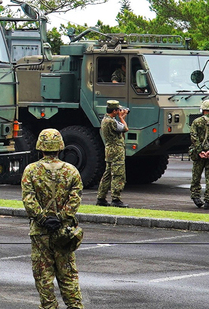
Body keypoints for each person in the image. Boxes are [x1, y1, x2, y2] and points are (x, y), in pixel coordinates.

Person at [21, 128, 84, 309]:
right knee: (68, 276)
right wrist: (60, 218)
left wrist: (43, 219)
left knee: (44, 278)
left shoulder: (31, 171)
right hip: (64, 232)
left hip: (40, 233)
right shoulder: (71, 171)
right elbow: (75, 199)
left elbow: (28, 200)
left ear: (40, 147)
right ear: (60, 147)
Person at [96, 100, 129, 208]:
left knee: (107, 174)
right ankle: (116, 198)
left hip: (109, 150)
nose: (119, 111)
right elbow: (125, 128)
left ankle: (101, 197)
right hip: (116, 151)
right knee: (118, 174)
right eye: (118, 110)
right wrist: (122, 118)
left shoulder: (106, 120)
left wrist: (120, 117)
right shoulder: (111, 122)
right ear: (114, 111)